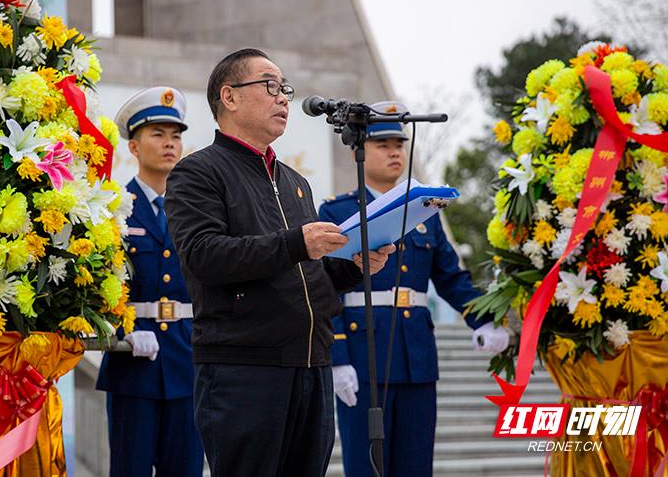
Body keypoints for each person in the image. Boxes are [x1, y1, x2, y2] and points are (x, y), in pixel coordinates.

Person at [164, 48, 394, 477]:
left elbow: (306, 269)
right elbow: (204, 255)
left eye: (285, 88)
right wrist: (295, 243)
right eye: (270, 86)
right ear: (229, 97)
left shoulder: (295, 182)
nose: (284, 98)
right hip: (244, 371)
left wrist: (354, 266)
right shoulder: (198, 173)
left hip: (311, 364)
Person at [318, 101, 510, 477]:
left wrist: (483, 321)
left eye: (399, 144)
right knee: (367, 467)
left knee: (416, 466)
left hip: (416, 357)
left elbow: (451, 278)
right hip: (363, 356)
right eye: (383, 143)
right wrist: (337, 356)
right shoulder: (337, 213)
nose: (394, 151)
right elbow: (326, 287)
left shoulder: (425, 213)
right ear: (361, 148)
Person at [96, 86, 204, 477]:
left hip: (188, 360)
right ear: (134, 147)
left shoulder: (198, 211)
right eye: (157, 135)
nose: (170, 144)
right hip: (132, 362)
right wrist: (123, 327)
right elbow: (96, 283)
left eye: (176, 136)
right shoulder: (110, 208)